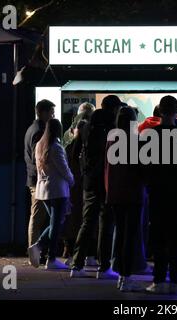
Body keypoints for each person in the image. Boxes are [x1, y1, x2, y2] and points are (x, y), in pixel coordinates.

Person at [144, 95, 177, 295]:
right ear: (176, 112)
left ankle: (158, 280)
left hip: (158, 193)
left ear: (160, 111)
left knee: (159, 237)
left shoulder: (151, 135)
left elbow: (145, 166)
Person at [70, 95, 122, 279]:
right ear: (114, 109)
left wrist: (85, 173)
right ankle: (104, 267)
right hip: (106, 183)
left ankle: (76, 265)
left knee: (87, 223)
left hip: (89, 183)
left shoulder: (86, 128)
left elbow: (74, 154)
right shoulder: (112, 130)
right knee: (105, 225)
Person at [105, 107, 145, 292]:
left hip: (114, 194)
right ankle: (126, 276)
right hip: (132, 194)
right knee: (131, 236)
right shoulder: (135, 141)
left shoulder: (112, 138)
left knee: (121, 234)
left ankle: (121, 275)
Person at [28, 119, 74, 269]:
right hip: (58, 190)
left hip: (44, 191)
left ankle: (40, 247)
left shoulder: (40, 146)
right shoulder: (56, 147)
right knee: (56, 224)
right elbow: (64, 169)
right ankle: (51, 258)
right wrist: (72, 180)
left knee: (55, 223)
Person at [24, 99, 55, 265]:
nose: (53, 115)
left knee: (39, 217)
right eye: (51, 112)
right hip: (38, 181)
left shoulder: (32, 128)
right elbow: (40, 158)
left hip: (34, 179)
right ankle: (33, 253)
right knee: (37, 218)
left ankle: (35, 250)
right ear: (42, 112)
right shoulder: (39, 131)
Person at [62, 120, 88, 264]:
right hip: (81, 187)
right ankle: (81, 254)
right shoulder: (86, 147)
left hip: (72, 188)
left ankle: (70, 251)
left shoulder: (68, 148)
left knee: (72, 221)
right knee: (82, 222)